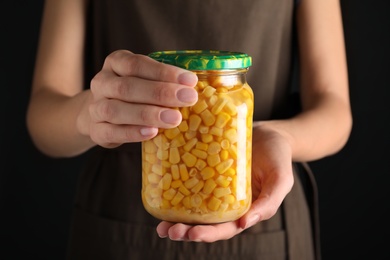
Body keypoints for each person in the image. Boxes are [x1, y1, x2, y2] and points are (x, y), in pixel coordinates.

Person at [26, 0, 352, 259]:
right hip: (118, 215)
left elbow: (335, 110)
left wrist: (281, 137)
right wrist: (90, 114)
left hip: (258, 195)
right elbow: (43, 118)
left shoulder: (239, 98)